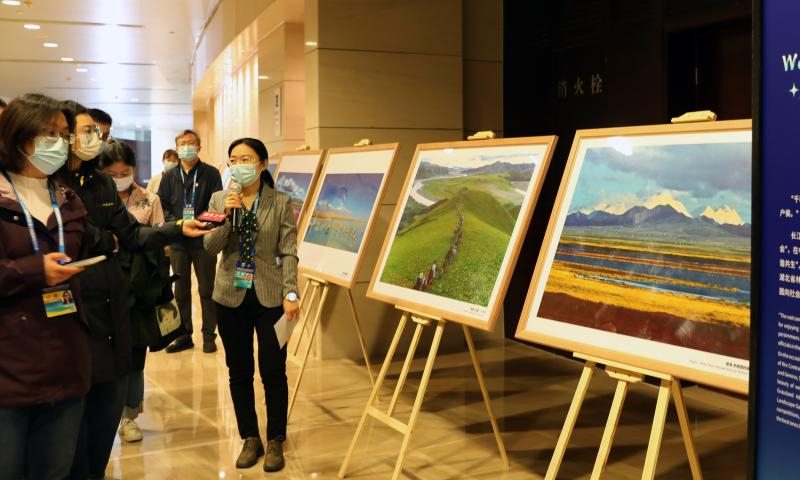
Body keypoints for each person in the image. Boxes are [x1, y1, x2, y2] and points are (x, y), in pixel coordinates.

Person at [59, 101, 210, 480]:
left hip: (114, 307)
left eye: (96, 131)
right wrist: (101, 238)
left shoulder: (101, 182)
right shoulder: (48, 184)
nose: (94, 138)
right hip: (69, 313)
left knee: (106, 413)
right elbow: (75, 237)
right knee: (68, 434)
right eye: (85, 131)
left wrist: (177, 229)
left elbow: (129, 235)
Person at [0, 93, 91, 479]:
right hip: (10, 369)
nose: (59, 142)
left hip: (65, 361)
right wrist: (34, 270)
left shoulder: (67, 199)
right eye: (48, 133)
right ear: (20, 137)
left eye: (62, 134)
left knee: (54, 471)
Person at [204, 137, 299, 472]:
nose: (239, 165)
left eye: (246, 158)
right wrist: (227, 215)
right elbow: (210, 246)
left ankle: (275, 440)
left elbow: (288, 250)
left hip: (271, 296)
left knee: (274, 370)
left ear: (262, 164)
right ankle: (250, 438)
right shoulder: (218, 198)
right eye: (233, 159)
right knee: (239, 370)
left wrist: (291, 293)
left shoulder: (280, 201)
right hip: (230, 295)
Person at [98, 142, 166, 444]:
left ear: (133, 170)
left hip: (139, 288)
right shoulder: (94, 200)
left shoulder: (149, 199)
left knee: (136, 353)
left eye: (124, 173)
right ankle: (104, 415)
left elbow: (160, 239)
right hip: (103, 287)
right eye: (111, 173)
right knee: (106, 352)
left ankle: (129, 416)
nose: (118, 178)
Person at [158, 129, 223, 353]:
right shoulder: (169, 177)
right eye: (183, 143)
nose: (187, 146)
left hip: (204, 240)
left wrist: (200, 224)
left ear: (199, 146)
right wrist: (178, 225)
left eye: (191, 143)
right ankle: (184, 335)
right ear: (177, 148)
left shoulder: (211, 174)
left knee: (207, 289)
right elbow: (162, 206)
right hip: (178, 240)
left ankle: (208, 336)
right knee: (181, 290)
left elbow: (218, 206)